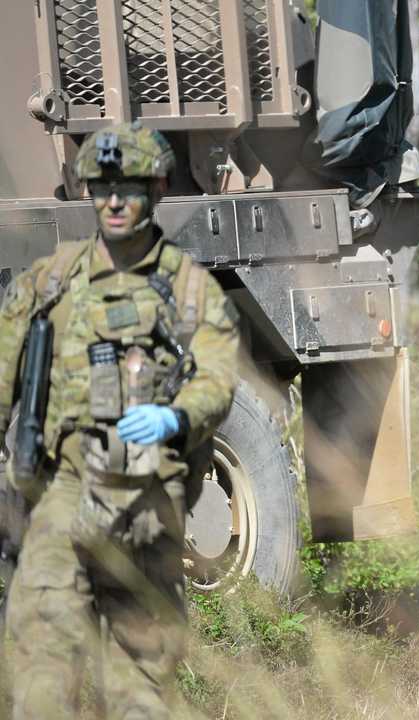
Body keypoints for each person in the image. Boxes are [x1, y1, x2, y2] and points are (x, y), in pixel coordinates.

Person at [0, 121, 239, 718]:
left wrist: (173, 418)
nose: (112, 201)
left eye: (127, 187)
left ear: (157, 188)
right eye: (100, 186)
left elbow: (217, 379)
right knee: (41, 678)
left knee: (141, 690)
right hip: (62, 495)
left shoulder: (190, 292)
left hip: (146, 504)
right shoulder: (48, 283)